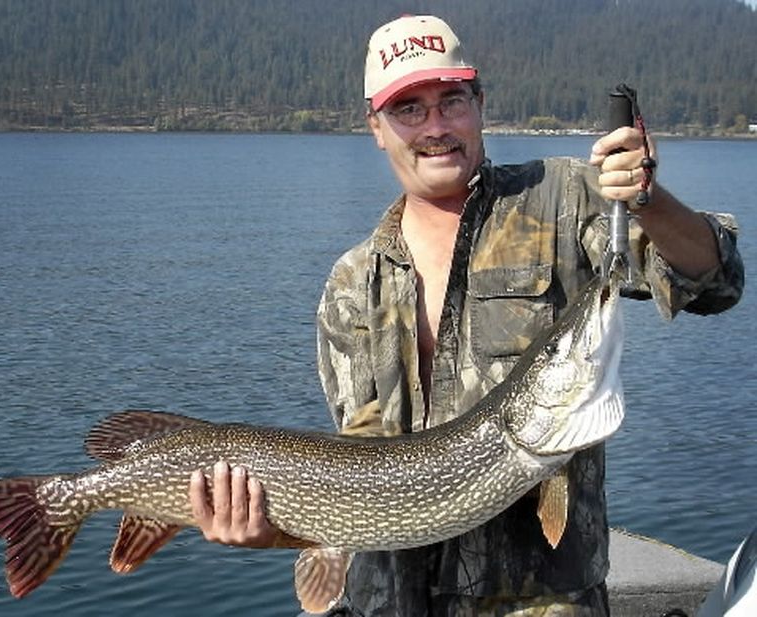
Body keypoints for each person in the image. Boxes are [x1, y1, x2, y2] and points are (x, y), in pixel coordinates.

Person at [188, 14, 744, 617]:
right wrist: (272, 527)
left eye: (451, 100)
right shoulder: (352, 285)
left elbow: (712, 280)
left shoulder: (565, 198)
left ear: (479, 104)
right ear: (376, 127)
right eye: (410, 110)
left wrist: (647, 199)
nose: (436, 127)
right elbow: (353, 469)